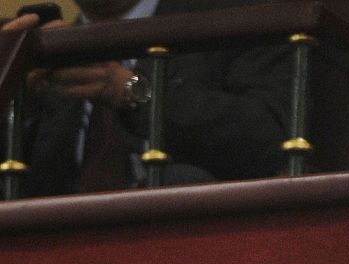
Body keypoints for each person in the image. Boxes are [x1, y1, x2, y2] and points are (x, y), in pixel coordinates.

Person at [1, 0, 292, 195]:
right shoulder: (43, 49)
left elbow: (269, 139)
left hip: (195, 248)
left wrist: (132, 91)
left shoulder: (240, 18)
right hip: (58, 256)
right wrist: (8, 92)